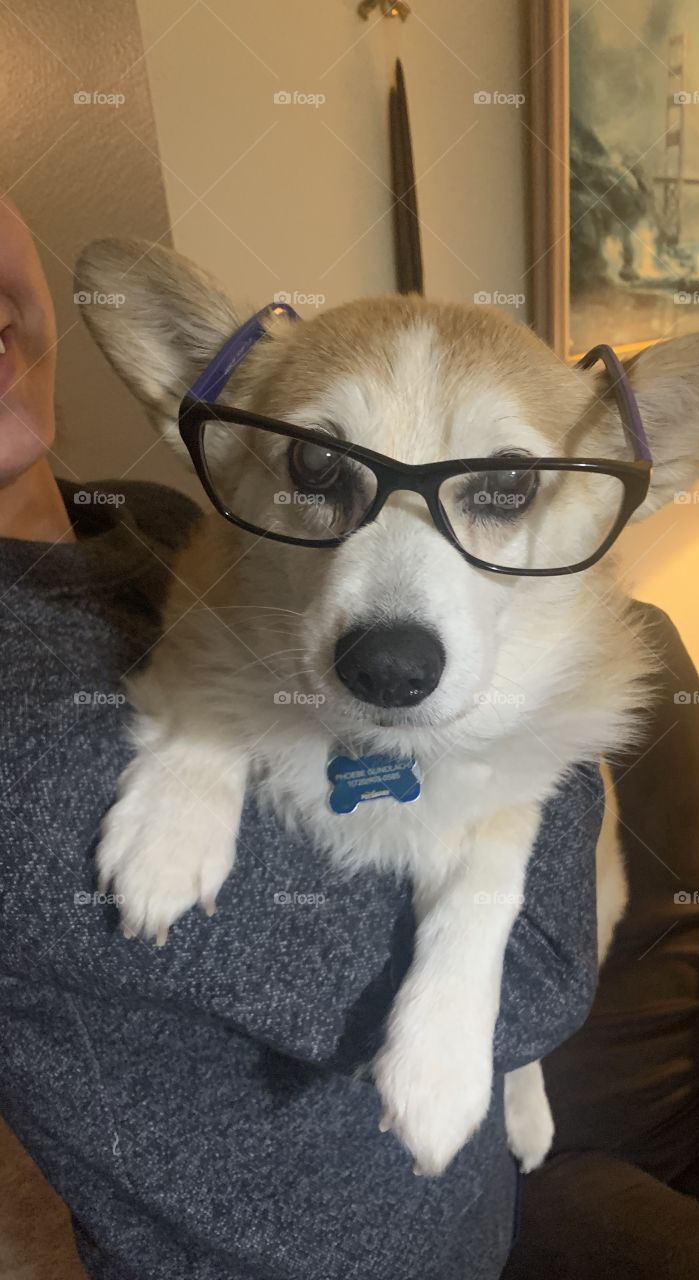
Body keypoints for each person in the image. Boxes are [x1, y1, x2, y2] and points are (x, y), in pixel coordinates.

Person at [0, 192, 603, 1280]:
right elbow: (540, 978)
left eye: (500, 487)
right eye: (324, 470)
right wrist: (196, 749)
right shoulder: (27, 743)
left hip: (476, 1230)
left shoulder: (143, 516)